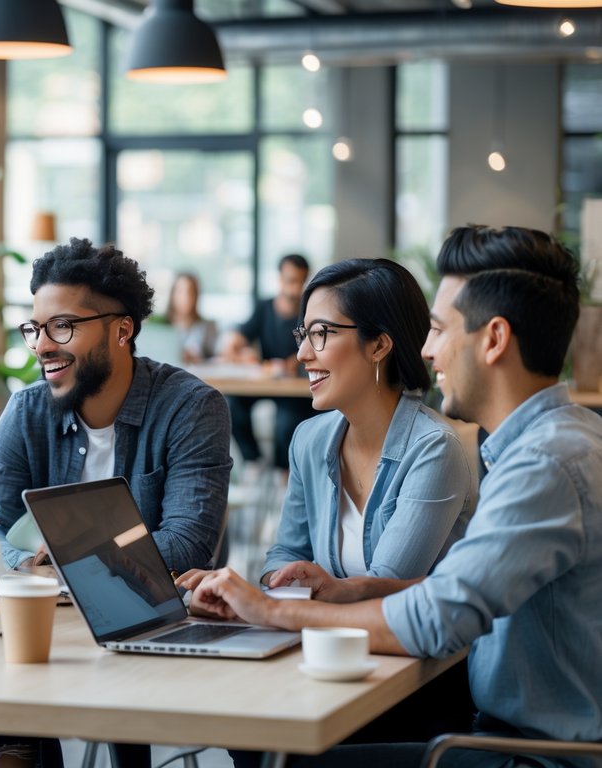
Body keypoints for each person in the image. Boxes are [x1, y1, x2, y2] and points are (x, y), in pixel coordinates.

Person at [189, 225, 602, 767]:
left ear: (495, 338)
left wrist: (269, 610)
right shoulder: (558, 442)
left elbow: (435, 620)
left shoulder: (543, 464)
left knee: (276, 755)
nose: (427, 349)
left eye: (438, 329)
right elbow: (462, 588)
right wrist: (343, 590)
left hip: (526, 754)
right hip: (509, 736)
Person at [177, 258, 476, 765]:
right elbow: (285, 552)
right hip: (332, 661)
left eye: (320, 334)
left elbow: (383, 586)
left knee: (269, 745)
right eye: (303, 333)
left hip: (413, 685)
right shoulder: (310, 440)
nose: (301, 353)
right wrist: (263, 588)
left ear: (379, 343)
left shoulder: (434, 449)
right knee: (242, 721)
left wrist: (270, 603)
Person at [0, 237, 233, 768]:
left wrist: (64, 559)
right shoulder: (27, 411)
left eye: (62, 326)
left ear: (122, 330)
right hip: (45, 621)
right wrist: (19, 556)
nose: (42, 345)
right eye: (35, 329)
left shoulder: (191, 408)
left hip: (153, 625)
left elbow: (186, 542)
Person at [223, 253, 316, 470]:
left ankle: (283, 473)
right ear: (280, 280)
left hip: (294, 389)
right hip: (266, 382)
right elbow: (233, 344)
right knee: (232, 405)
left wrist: (297, 360)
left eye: (300, 282)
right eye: (290, 281)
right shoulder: (264, 308)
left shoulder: (309, 313)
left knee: (287, 422)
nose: (295, 289)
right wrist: (244, 356)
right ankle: (253, 462)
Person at [165, 271, 218, 364]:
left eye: (190, 292)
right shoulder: (161, 327)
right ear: (172, 294)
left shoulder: (208, 327)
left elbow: (218, 356)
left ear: (197, 295)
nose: (186, 297)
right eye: (180, 291)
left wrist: (198, 359)